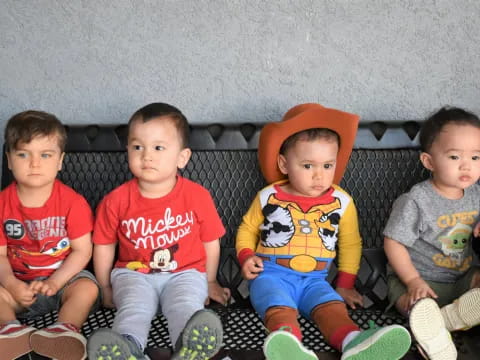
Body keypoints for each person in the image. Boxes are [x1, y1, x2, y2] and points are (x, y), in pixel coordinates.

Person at [236, 103, 411, 360]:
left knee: (333, 309)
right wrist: (246, 256)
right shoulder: (269, 196)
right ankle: (288, 346)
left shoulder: (342, 201)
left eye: (327, 166)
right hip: (271, 275)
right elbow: (247, 228)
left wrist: (344, 285)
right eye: (308, 166)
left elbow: (350, 244)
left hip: (315, 280)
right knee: (278, 307)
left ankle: (355, 343)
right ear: (284, 164)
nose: (319, 176)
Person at [87, 103, 231, 360]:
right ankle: (127, 349)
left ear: (182, 157)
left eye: (158, 147)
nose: (147, 156)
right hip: (133, 274)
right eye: (137, 147)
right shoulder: (116, 200)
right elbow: (104, 245)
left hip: (186, 273)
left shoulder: (196, 196)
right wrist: (105, 286)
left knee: (185, 307)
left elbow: (210, 241)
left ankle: (191, 350)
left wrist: (209, 281)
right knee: (133, 309)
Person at [0, 110, 100, 360]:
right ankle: (11, 330)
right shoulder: (2, 204)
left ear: (60, 161)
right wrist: (12, 284)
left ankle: (64, 330)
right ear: (9, 160)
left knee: (87, 287)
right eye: (24, 154)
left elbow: (82, 251)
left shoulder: (72, 203)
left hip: (64, 281)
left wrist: (56, 281)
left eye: (45, 155)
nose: (35, 163)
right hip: (19, 284)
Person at [384, 107, 480, 360]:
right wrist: (413, 280)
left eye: (475, 157)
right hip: (421, 280)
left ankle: (444, 322)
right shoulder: (417, 201)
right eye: (454, 157)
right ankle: (432, 327)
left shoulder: (476, 194)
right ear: (429, 161)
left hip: (463, 277)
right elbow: (393, 242)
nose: (466, 166)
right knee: (417, 305)